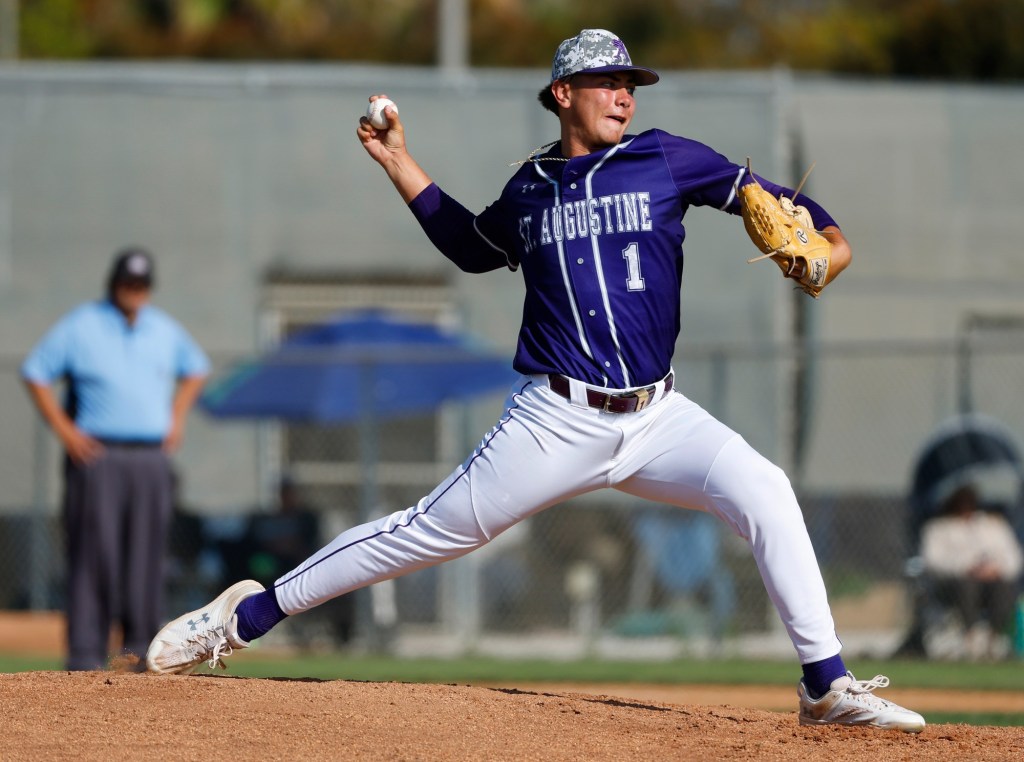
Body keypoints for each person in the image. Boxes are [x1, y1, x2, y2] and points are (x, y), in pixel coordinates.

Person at [147, 29, 925, 732]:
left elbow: (783, 206)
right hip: (557, 418)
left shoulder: (665, 157)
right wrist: (397, 161)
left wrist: (831, 243)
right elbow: (471, 245)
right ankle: (248, 614)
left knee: (766, 490)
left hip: (658, 417)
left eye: (632, 83)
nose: (624, 93)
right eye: (607, 81)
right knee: (425, 532)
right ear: (562, 94)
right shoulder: (531, 189)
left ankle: (826, 687)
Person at [22, 247, 210, 670]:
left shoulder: (162, 329)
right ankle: (86, 654)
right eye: (128, 285)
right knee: (93, 553)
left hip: (149, 458)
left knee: (147, 555)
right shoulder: (83, 325)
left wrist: (176, 418)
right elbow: (36, 371)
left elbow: (196, 368)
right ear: (114, 284)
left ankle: (142, 651)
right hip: (98, 456)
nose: (134, 293)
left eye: (142, 286)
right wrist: (65, 430)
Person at [920, 483, 1023, 660]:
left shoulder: (992, 527)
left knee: (1004, 587)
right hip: (954, 584)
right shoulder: (939, 528)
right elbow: (933, 561)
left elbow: (1013, 558)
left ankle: (994, 637)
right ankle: (971, 636)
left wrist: (995, 569)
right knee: (967, 586)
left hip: (992, 582)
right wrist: (966, 567)